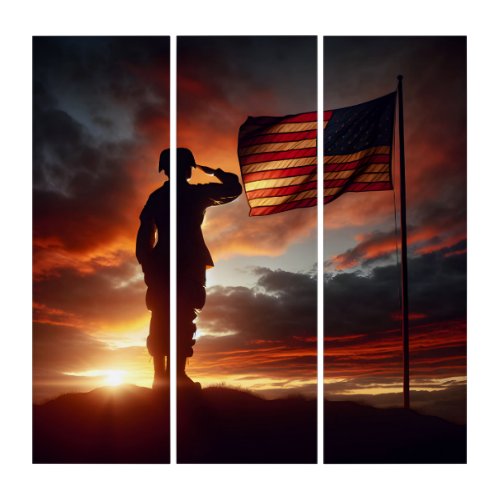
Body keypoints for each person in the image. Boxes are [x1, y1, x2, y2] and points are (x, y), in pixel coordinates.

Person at [136, 148, 242, 389]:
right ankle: (174, 376)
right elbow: (233, 189)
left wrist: (146, 260)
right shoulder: (196, 194)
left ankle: (163, 377)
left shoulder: (157, 197)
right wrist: (215, 172)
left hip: (162, 261)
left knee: (163, 315)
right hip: (185, 262)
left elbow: (145, 232)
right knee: (181, 316)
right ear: (187, 168)